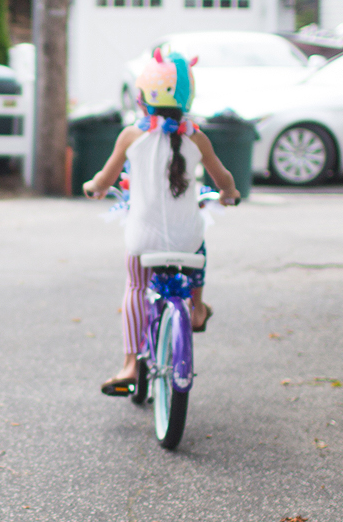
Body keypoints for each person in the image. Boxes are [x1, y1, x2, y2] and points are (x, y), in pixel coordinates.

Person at [82, 48, 239, 397]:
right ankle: (196, 309)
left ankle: (128, 364)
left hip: (143, 240)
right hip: (186, 239)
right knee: (198, 244)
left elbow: (105, 180)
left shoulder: (131, 136)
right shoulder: (197, 137)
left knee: (137, 288)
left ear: (142, 98)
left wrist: (94, 187)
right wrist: (229, 192)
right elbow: (222, 177)